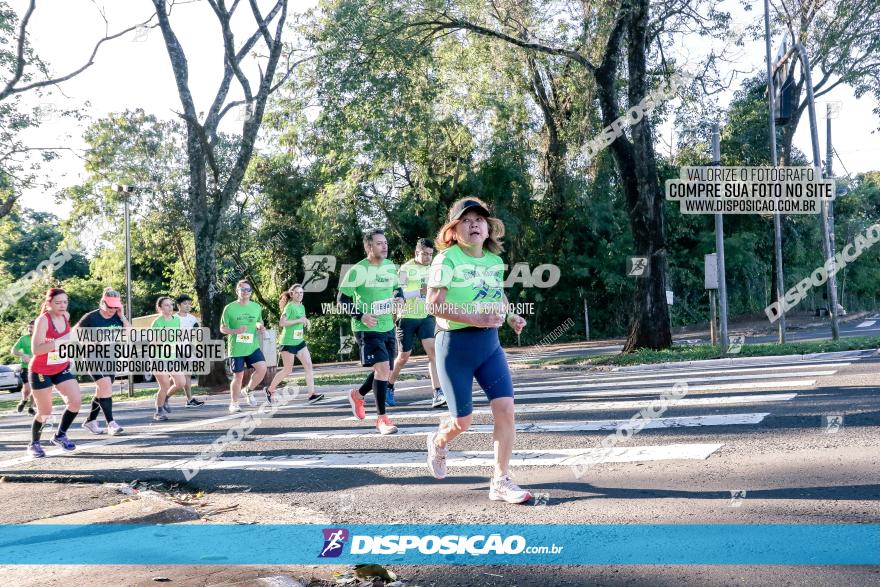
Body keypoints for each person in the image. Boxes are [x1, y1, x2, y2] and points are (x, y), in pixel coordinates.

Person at [424, 197, 532, 504]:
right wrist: (474, 317)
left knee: (506, 410)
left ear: (488, 229)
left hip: (489, 346)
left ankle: (500, 480)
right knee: (463, 422)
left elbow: (498, 296)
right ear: (454, 230)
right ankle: (439, 440)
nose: (474, 224)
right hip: (454, 348)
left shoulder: (494, 262)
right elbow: (433, 304)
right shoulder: (447, 260)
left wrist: (510, 316)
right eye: (467, 220)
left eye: (480, 220)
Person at [338, 229, 413, 435]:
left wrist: (399, 298)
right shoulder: (357, 270)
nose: (384, 246)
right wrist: (361, 315)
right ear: (369, 246)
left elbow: (398, 289)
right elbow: (342, 300)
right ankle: (382, 420)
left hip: (388, 325)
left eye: (385, 242)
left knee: (385, 372)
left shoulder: (390, 267)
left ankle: (358, 395)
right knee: (382, 370)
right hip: (366, 327)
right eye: (379, 243)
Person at [387, 238, 446, 408]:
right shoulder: (405, 269)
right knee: (404, 356)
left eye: (430, 254)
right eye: (424, 254)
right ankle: (389, 386)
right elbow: (398, 293)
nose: (428, 257)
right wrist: (419, 292)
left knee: (433, 352)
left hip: (425, 316)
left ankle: (437, 392)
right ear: (416, 253)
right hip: (406, 317)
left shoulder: (433, 268)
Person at [27, 288, 82, 456]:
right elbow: (36, 349)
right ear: (48, 303)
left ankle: (60, 435)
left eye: (65, 302)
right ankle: (34, 444)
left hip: (61, 367)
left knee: (75, 402)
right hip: (41, 370)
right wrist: (61, 341)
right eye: (58, 302)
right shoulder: (42, 320)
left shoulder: (66, 317)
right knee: (45, 412)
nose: (62, 305)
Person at [76, 287, 127, 436]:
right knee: (105, 386)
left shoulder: (118, 316)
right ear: (103, 302)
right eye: (110, 306)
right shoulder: (90, 317)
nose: (112, 309)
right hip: (93, 356)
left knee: (103, 390)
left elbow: (129, 332)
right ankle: (111, 423)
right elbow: (77, 334)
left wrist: (122, 315)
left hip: (110, 357)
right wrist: (89, 343)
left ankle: (90, 421)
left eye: (115, 306)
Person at [266, 284, 324, 405]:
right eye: (297, 293)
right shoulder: (289, 307)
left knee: (308, 366)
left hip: (299, 342)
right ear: (292, 294)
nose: (299, 295)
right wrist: (299, 321)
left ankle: (312, 394)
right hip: (287, 343)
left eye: (301, 293)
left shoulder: (301, 307)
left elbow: (302, 318)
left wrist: (306, 321)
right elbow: (282, 323)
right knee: (287, 370)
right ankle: (270, 389)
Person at [220, 279, 267, 413]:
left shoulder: (256, 307)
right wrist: (235, 331)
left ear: (251, 292)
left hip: (252, 346)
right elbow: (222, 328)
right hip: (237, 348)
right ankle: (234, 403)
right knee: (238, 376)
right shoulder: (229, 308)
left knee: (262, 368)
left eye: (248, 290)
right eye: (242, 289)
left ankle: (248, 390)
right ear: (237, 291)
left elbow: (259, 321)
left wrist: (260, 326)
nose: (245, 292)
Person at [150, 296, 187, 421]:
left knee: (181, 382)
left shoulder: (176, 320)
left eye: (171, 305)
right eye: (166, 305)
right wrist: (163, 336)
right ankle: (158, 412)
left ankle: (165, 398)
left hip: (172, 357)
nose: (170, 307)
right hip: (158, 359)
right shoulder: (157, 322)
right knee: (164, 385)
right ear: (160, 308)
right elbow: (153, 342)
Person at [174, 295, 205, 407]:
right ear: (178, 305)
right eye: (185, 303)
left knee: (187, 374)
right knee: (177, 377)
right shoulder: (173, 318)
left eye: (189, 303)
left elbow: (197, 334)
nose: (188, 306)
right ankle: (164, 397)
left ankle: (189, 399)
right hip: (175, 350)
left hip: (188, 349)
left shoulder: (192, 318)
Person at [11, 321, 35, 415]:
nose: (30, 329)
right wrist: (22, 354)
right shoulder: (23, 338)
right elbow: (13, 350)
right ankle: (24, 400)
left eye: (32, 327)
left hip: (39, 368)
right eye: (29, 327)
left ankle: (31, 408)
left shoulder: (43, 338)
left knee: (35, 389)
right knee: (28, 389)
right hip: (25, 368)